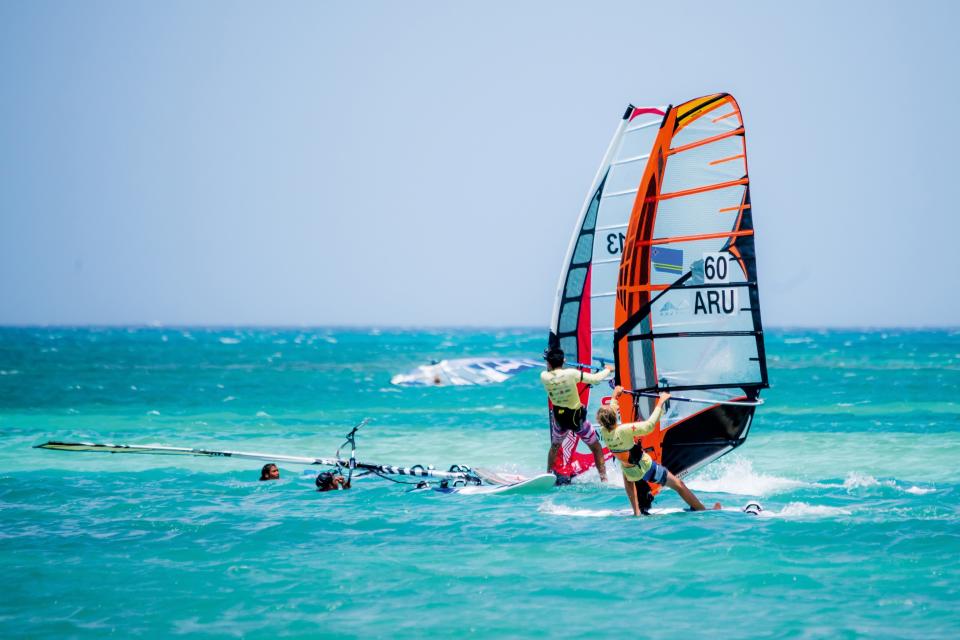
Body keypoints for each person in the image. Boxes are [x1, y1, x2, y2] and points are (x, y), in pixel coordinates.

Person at [597, 386, 720, 516]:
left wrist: (614, 396)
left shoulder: (604, 433)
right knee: (678, 484)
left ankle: (636, 512)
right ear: (614, 417)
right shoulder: (624, 430)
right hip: (646, 468)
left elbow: (609, 415)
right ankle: (701, 509)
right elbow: (649, 426)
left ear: (601, 422)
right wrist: (661, 402)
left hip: (630, 472)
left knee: (628, 476)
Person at [540, 345, 610, 483]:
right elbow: (595, 379)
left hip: (560, 421)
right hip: (577, 421)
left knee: (555, 447)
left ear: (548, 363)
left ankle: (548, 474)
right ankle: (604, 478)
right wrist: (607, 369)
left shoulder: (544, 376)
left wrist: (553, 362)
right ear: (563, 360)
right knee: (596, 447)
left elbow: (551, 370)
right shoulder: (571, 374)